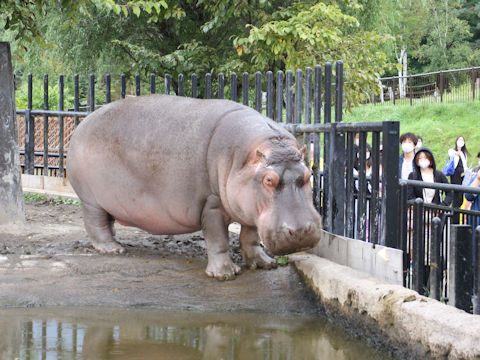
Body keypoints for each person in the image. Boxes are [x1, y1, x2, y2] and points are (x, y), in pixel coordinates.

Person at [448, 136, 469, 223]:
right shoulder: (452, 151)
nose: (461, 142)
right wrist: (457, 152)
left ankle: (459, 216)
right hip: (455, 176)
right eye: (459, 140)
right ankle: (454, 218)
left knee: (461, 196)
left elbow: (465, 165)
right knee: (455, 196)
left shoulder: (464, 154)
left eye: (462, 140)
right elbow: (452, 157)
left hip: (463, 176)